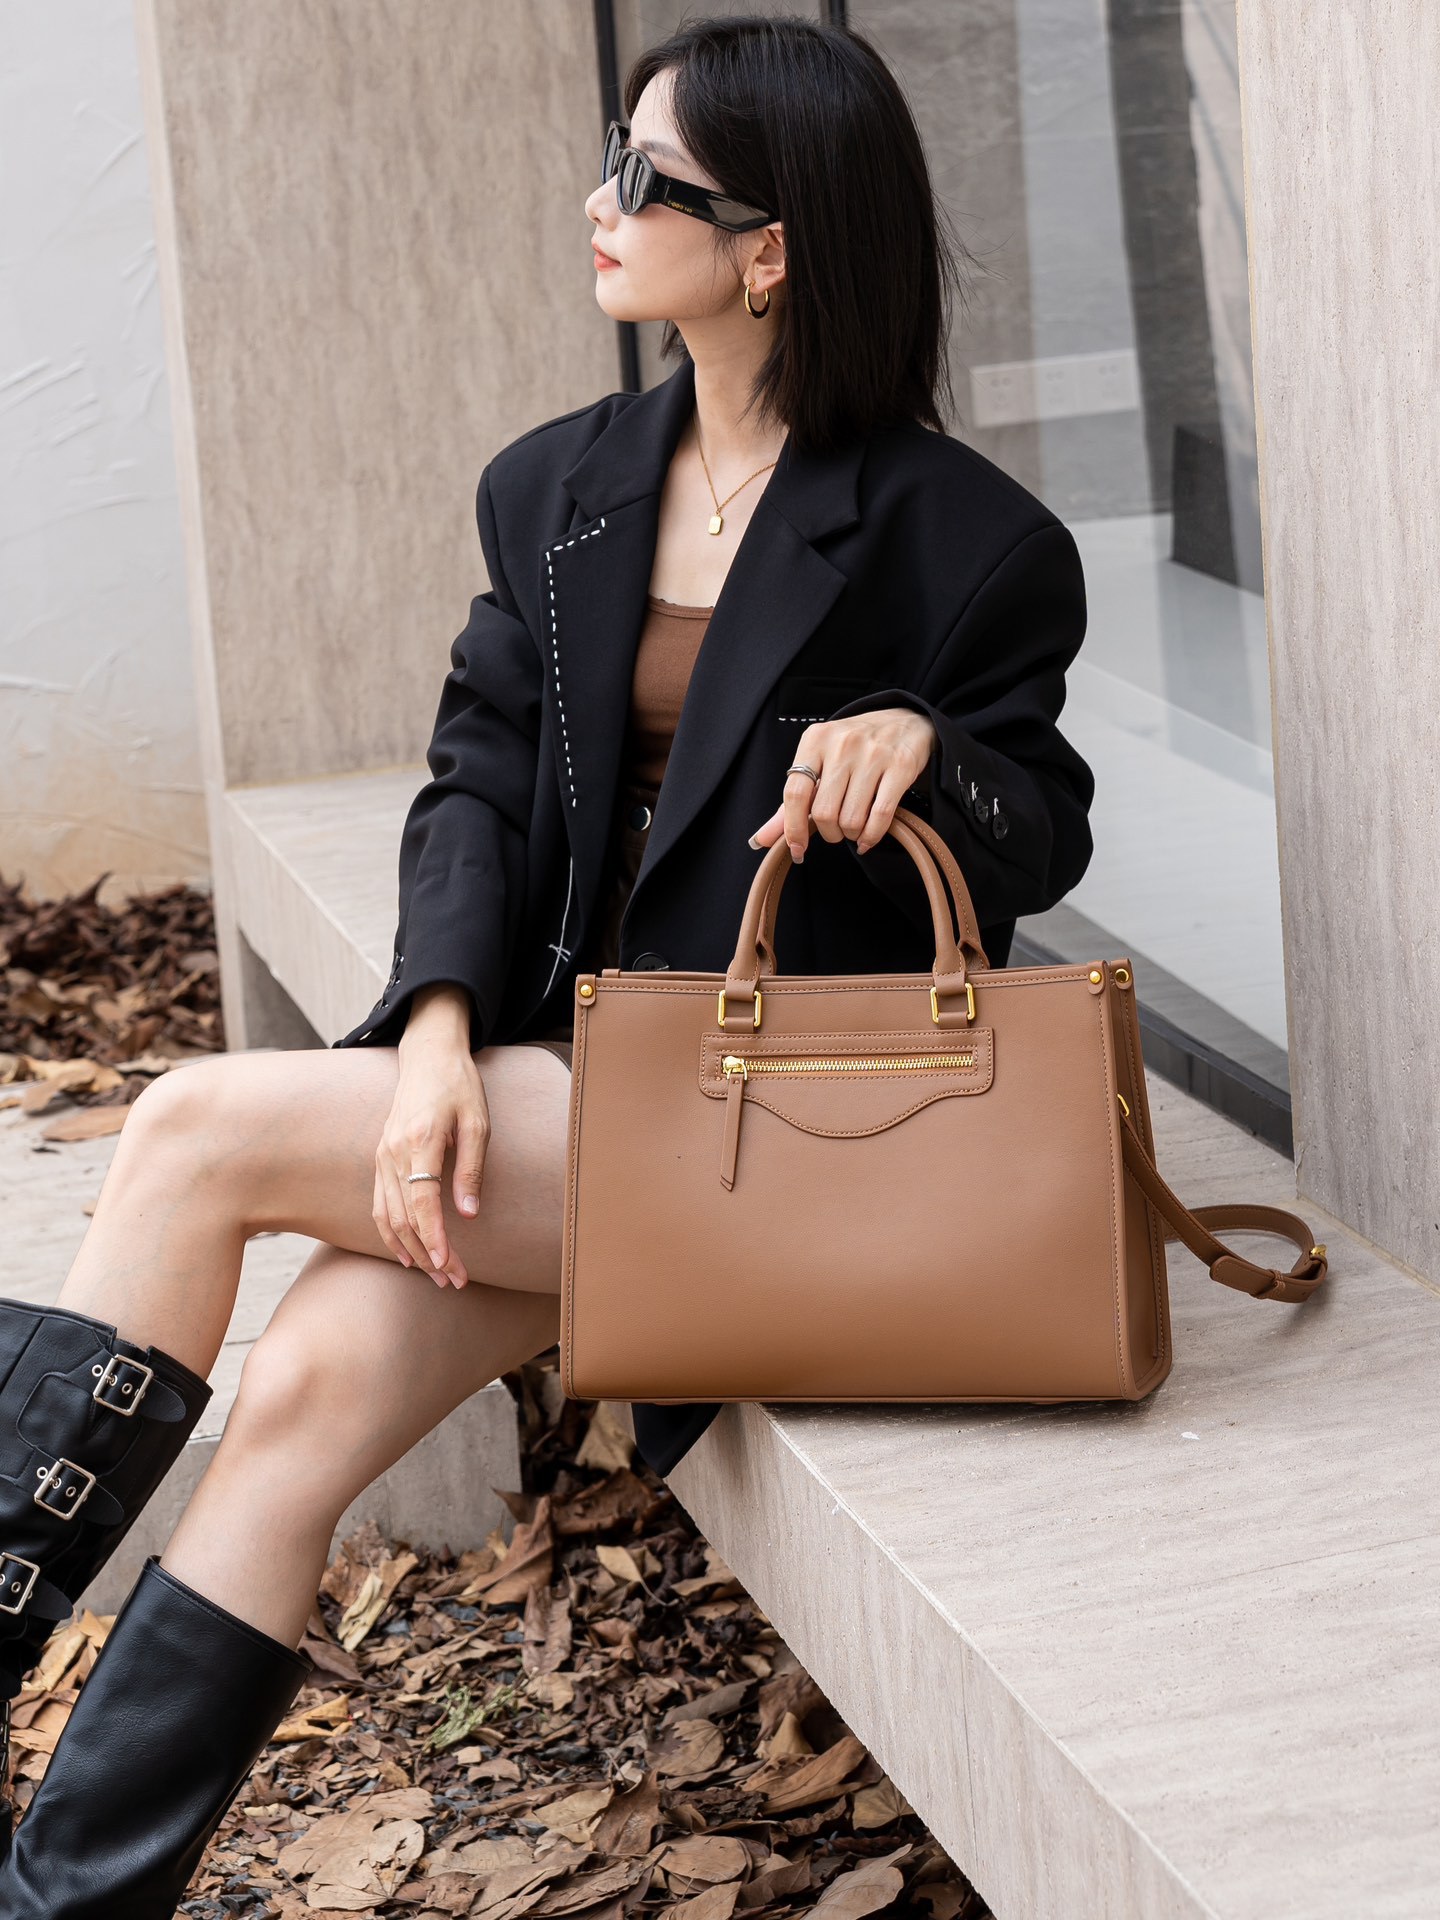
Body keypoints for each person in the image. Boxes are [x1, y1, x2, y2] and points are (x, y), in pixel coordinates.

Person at [0, 14, 1094, 1911]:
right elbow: (478, 784)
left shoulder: (970, 542)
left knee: (186, 1133)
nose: (601, 201)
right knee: (295, 1413)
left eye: (648, 180)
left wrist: (927, 743)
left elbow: (1045, 832)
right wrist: (431, 1035)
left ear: (769, 249)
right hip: (553, 1098)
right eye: (613, 153)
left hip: (777, 1135)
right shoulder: (559, 484)